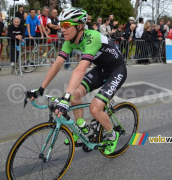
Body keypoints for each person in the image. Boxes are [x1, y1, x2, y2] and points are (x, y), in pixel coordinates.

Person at [28, 8, 125, 155]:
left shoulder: (92, 36)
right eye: (61, 25)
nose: (63, 29)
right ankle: (81, 126)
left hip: (116, 70)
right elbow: (57, 64)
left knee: (95, 108)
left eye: (67, 25)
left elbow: (80, 69)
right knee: (75, 96)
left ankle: (112, 135)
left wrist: (65, 98)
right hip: (101, 69)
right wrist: (41, 89)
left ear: (79, 26)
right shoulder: (69, 41)